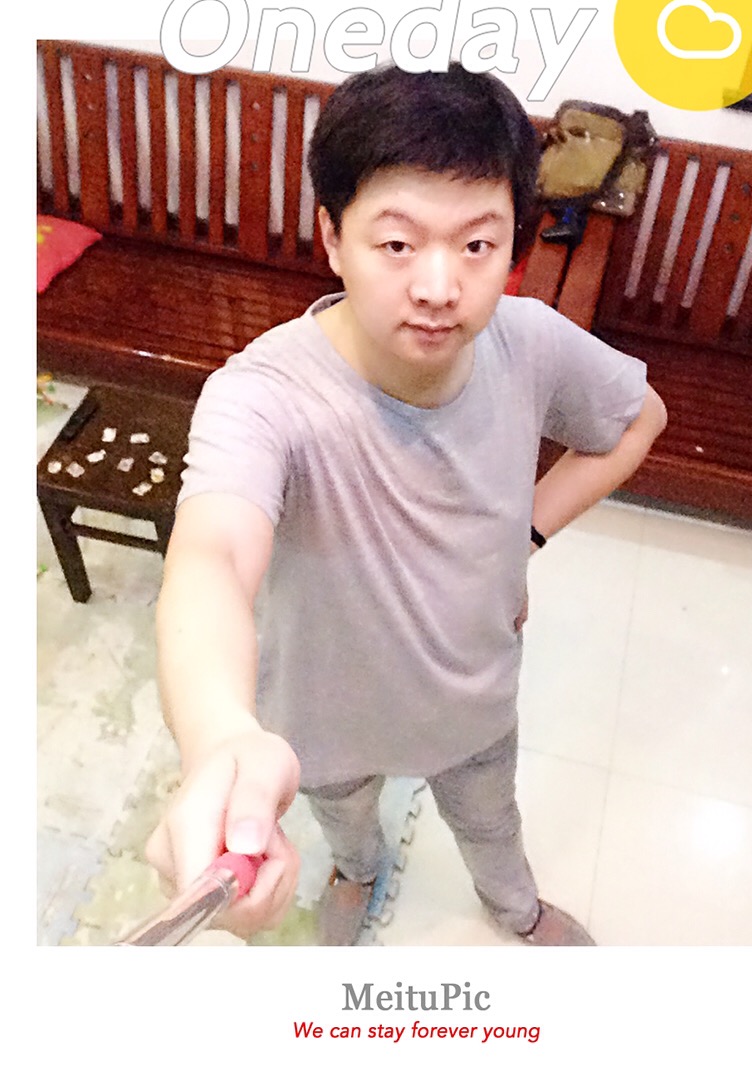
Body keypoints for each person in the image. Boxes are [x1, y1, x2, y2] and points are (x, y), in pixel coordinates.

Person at [146, 62, 667, 946]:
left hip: (471, 698)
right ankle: (356, 872)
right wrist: (220, 740)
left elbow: (637, 419)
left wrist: (525, 533)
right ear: (332, 235)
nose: (438, 286)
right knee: (346, 822)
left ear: (513, 245)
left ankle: (516, 910)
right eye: (396, 243)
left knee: (491, 823)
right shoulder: (261, 395)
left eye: (477, 245)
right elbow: (212, 559)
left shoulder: (528, 343)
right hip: (320, 713)